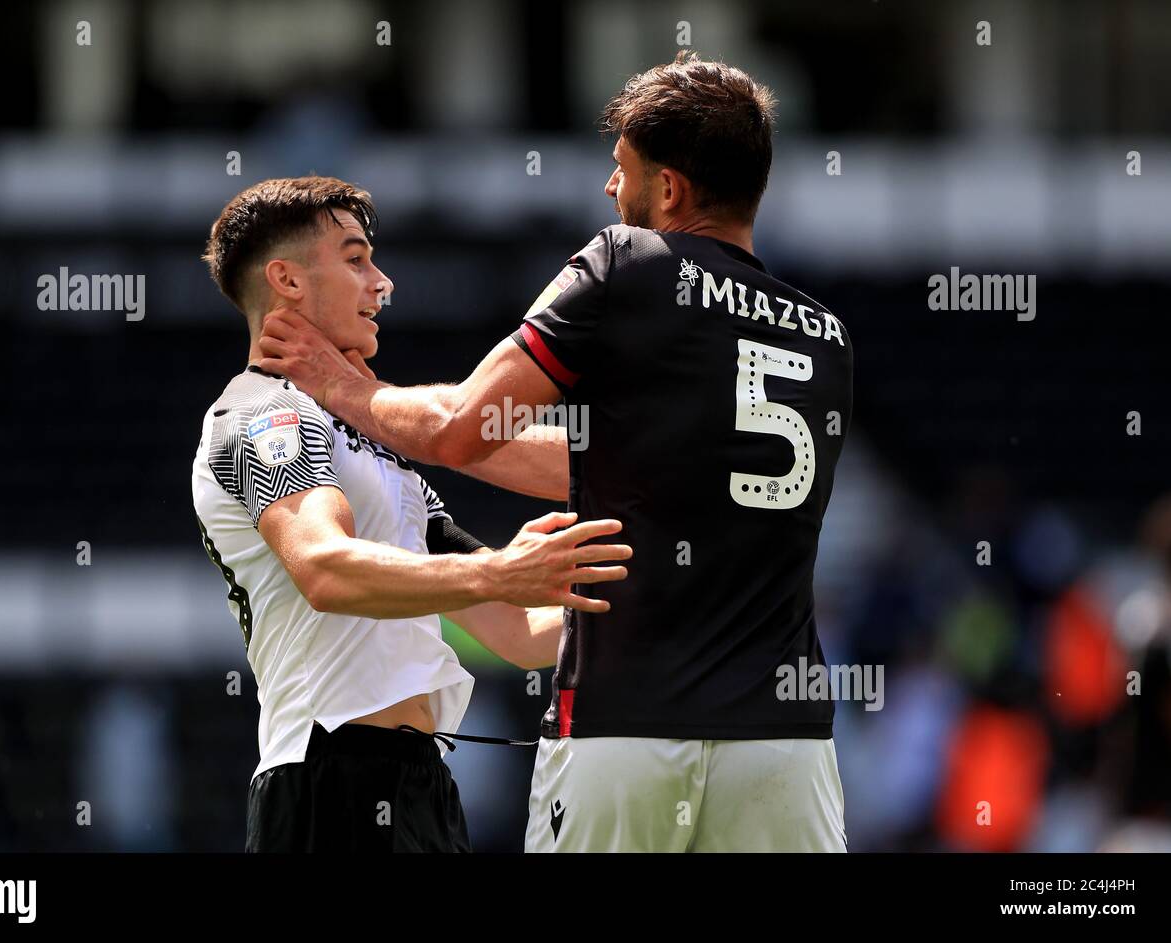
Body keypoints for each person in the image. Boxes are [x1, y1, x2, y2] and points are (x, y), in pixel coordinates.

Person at [259, 53, 853, 852]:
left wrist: (343, 388)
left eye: (623, 169)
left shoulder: (625, 264)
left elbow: (463, 428)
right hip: (787, 745)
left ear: (669, 189)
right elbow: (636, 466)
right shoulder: (824, 335)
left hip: (626, 727)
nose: (613, 189)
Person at [191, 176, 631, 852]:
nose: (381, 282)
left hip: (418, 786)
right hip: (327, 781)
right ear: (287, 280)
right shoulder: (260, 413)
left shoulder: (373, 451)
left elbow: (517, 631)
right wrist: (497, 572)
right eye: (355, 258)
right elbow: (324, 568)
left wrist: (662, 608)